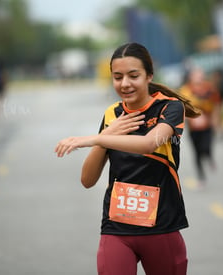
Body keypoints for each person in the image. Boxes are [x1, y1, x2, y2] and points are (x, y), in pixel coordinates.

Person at [55, 42, 200, 275]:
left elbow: (148, 144)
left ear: (149, 75)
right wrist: (106, 135)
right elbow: (88, 179)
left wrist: (92, 139)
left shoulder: (170, 107)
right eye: (117, 77)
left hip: (162, 226)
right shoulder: (113, 114)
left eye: (133, 75)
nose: (124, 84)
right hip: (117, 229)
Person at [179, 68, 220, 187]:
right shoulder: (185, 90)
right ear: (191, 77)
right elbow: (183, 107)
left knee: (206, 147)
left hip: (208, 125)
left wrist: (216, 120)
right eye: (196, 75)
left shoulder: (210, 89)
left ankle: (209, 156)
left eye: (200, 75)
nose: (199, 77)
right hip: (193, 128)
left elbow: (216, 104)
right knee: (196, 152)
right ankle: (201, 178)